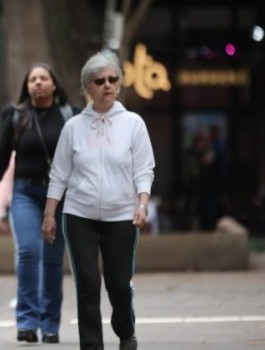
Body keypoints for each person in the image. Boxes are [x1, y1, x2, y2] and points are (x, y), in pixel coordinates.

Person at [42, 51, 155, 350]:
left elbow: (144, 169)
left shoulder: (133, 123)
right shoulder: (73, 128)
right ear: (87, 87)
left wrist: (142, 204)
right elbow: (60, 174)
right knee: (88, 283)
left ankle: (126, 330)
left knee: (118, 285)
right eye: (100, 80)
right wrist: (50, 214)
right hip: (79, 215)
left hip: (122, 216)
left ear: (119, 84)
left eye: (112, 79)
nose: (107, 85)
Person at [0, 63, 77, 344]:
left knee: (51, 260)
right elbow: (0, 157)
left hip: (59, 197)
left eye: (43, 78)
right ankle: (26, 322)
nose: (37, 83)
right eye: (32, 79)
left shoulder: (69, 116)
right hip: (25, 194)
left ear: (54, 84)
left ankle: (50, 325)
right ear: (27, 86)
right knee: (28, 253)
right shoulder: (15, 116)